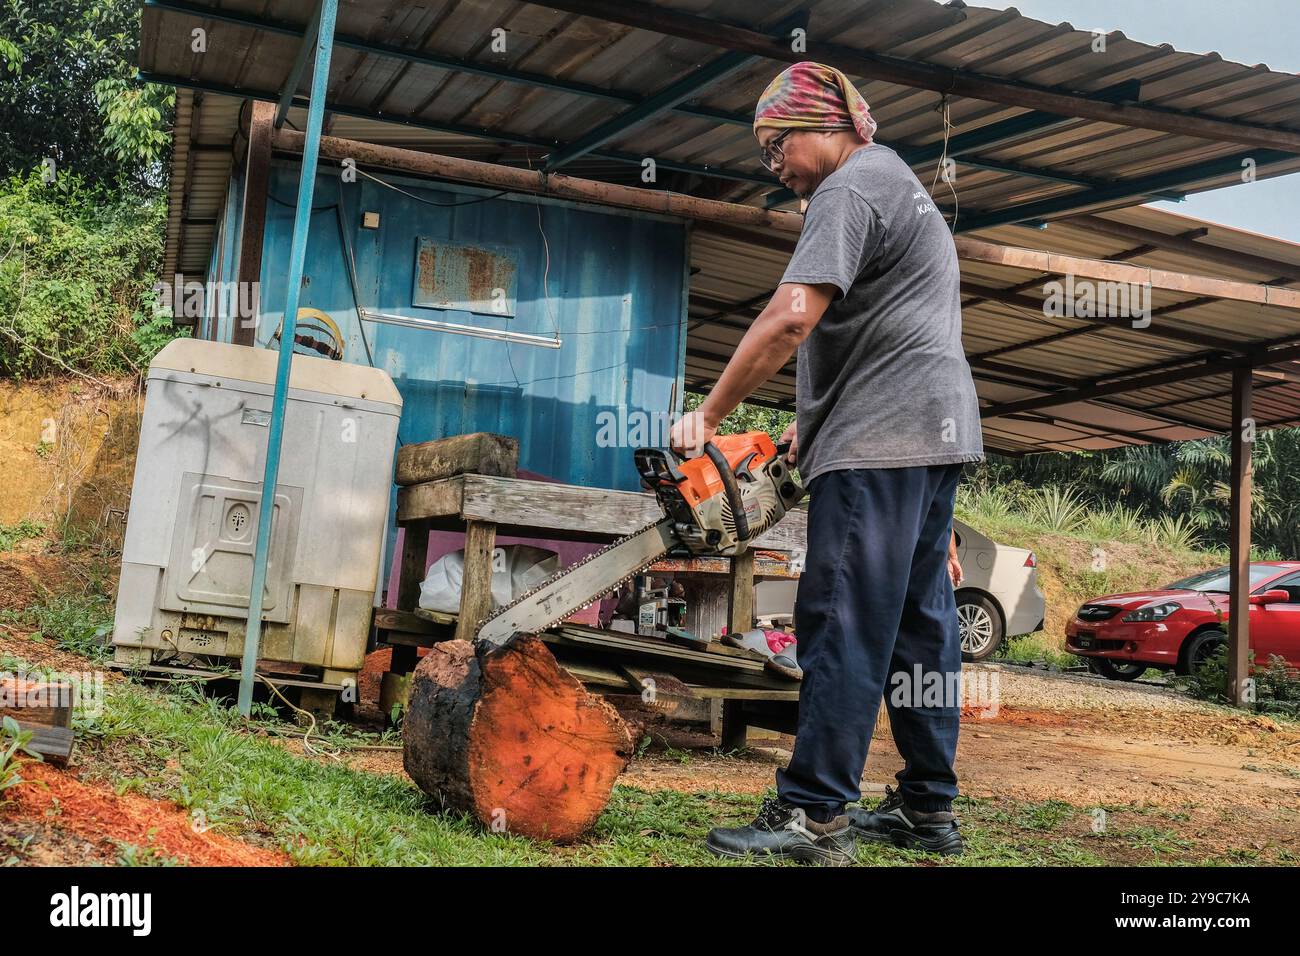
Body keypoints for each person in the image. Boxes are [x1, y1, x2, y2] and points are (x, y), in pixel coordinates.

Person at [668, 61, 983, 865]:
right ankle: (927, 809)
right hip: (931, 435)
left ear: (824, 127)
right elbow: (894, 327)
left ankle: (813, 817)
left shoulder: (845, 190)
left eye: (778, 145)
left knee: (842, 617)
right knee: (920, 627)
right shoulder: (895, 179)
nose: (772, 164)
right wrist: (816, 423)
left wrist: (709, 413)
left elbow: (790, 318)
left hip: (881, 444)